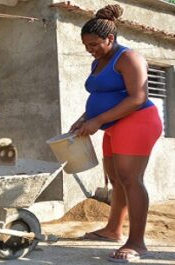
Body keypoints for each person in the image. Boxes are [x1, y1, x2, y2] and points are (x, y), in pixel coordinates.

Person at [71, 4, 162, 263]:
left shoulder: (129, 58)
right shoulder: (99, 62)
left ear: (110, 38)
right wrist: (83, 120)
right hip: (112, 125)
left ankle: (137, 242)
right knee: (115, 177)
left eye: (95, 44)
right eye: (86, 45)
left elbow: (137, 97)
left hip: (138, 121)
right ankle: (113, 230)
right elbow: (99, 95)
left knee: (130, 178)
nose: (90, 49)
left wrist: (97, 119)